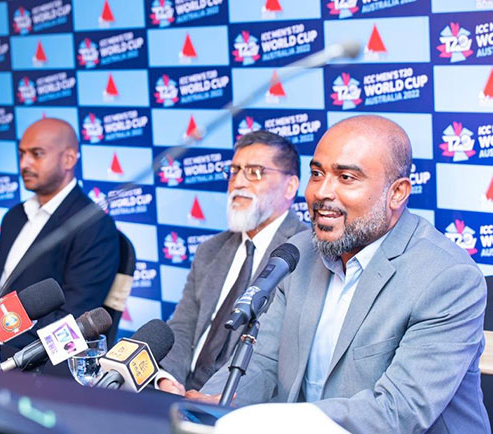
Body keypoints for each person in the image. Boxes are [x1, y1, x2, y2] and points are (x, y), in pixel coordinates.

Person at [196, 115, 489, 433]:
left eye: (346, 177)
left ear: (397, 193)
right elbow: (263, 361)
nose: (322, 192)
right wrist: (207, 408)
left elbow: (396, 412)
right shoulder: (298, 253)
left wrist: (265, 421)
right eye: (316, 174)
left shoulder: (448, 278)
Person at [157, 130, 308, 394]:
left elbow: (273, 355)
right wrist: (167, 378)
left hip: (244, 400)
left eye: (255, 172)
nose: (238, 182)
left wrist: (212, 397)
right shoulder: (210, 250)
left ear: (290, 186)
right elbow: (182, 327)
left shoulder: (304, 253)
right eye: (234, 171)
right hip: (182, 393)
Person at [0, 118, 119, 346]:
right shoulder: (14, 216)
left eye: (36, 154)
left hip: (23, 352)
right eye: (21, 154)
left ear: (68, 159)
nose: (24, 163)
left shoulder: (94, 226)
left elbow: (74, 317)